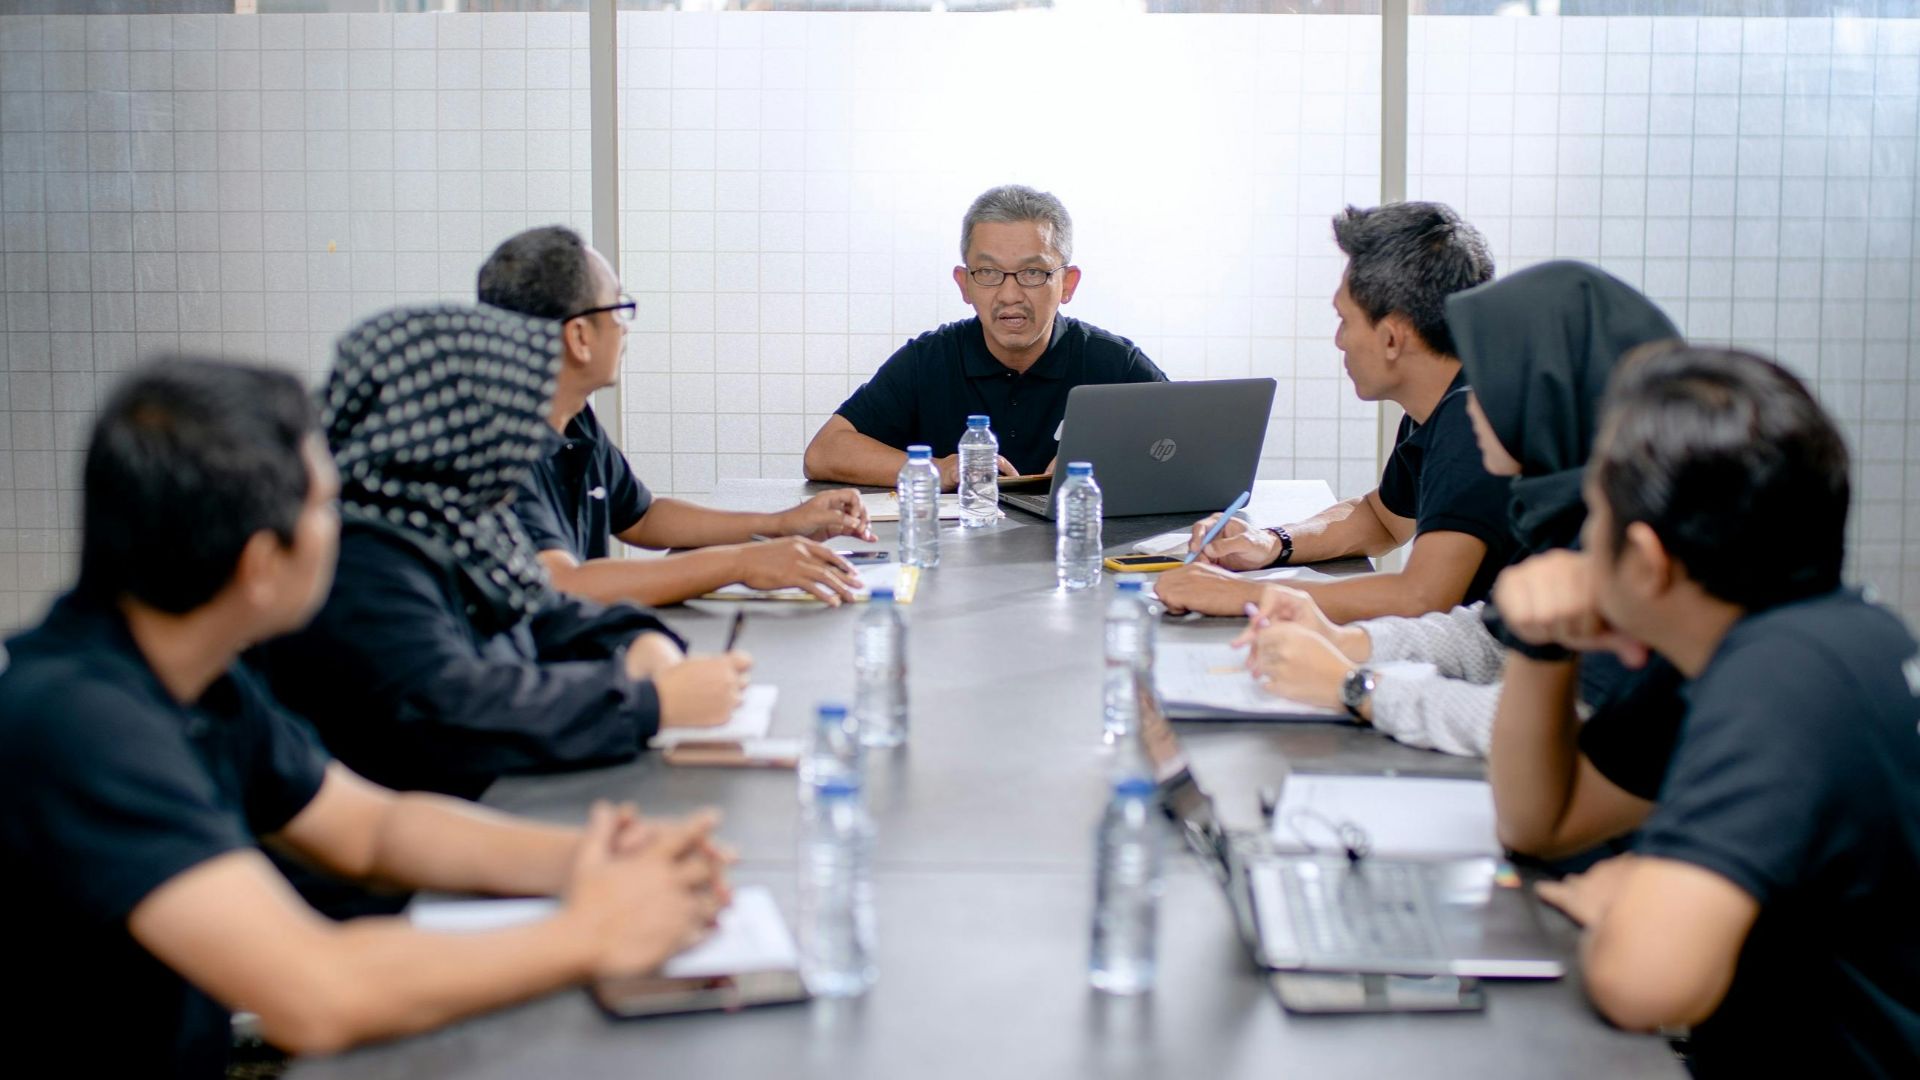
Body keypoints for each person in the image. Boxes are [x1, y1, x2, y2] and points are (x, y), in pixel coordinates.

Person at [0, 358, 732, 1077]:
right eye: (325, 506)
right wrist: (593, 931)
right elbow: (315, 993)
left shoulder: (197, 680)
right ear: (261, 565)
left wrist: (588, 859)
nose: (345, 526)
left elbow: (371, 830)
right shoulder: (81, 725)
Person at [1512, 346, 1920, 1074]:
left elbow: (1644, 984)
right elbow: (1543, 823)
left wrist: (1624, 901)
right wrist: (1542, 643)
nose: (1582, 543)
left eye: (1595, 514)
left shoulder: (1778, 681)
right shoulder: (1797, 638)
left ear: (1647, 561)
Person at [257, 303, 749, 801]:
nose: (530, 435)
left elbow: (547, 613)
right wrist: (647, 702)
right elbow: (458, 708)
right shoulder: (361, 558)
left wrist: (639, 639)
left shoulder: (463, 520)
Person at [1237, 262, 1684, 759]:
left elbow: (1553, 729)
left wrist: (1352, 685)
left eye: (1487, 381)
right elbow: (1495, 637)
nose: (1467, 404)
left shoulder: (1632, 540)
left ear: (1542, 398)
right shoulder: (1567, 510)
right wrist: (1347, 640)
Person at [477, 226, 877, 608]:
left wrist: (781, 524)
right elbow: (562, 584)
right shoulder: (494, 447)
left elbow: (643, 518)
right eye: (619, 308)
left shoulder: (574, 417)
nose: (625, 329)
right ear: (580, 336)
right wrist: (742, 563)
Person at [1155, 202, 1512, 624]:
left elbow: (1421, 596)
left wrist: (1243, 594)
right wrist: (1271, 543)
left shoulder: (1471, 420)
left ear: (1392, 338)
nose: (1339, 340)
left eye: (1344, 320)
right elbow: (1383, 520)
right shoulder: (1440, 403)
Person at [803, 184, 1167, 489]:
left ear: (1067, 284)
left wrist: (1113, 463)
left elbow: (1184, 450)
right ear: (964, 284)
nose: (1010, 295)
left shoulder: (1114, 363)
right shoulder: (928, 360)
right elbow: (824, 453)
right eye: (989, 272)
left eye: (1033, 272)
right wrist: (939, 469)